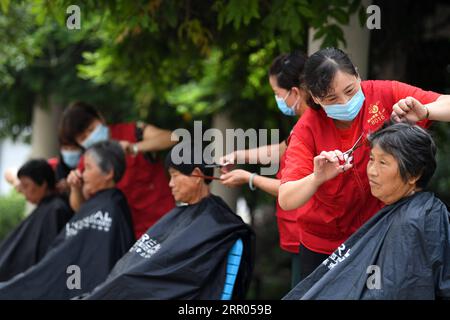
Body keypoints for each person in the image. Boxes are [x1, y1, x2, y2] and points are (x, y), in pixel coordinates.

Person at [278, 47, 450, 281]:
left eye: (350, 90)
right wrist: (316, 178)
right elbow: (287, 199)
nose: (346, 102)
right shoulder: (306, 130)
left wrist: (426, 110)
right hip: (326, 248)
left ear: (358, 75)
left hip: (383, 233)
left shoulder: (384, 93)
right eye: (332, 99)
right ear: (317, 99)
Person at [284, 122, 450, 299]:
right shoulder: (403, 213)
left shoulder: (415, 221)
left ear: (413, 174)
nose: (371, 171)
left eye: (383, 162)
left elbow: (402, 289)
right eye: (371, 159)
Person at [81, 142, 255, 300]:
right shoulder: (183, 216)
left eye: (174, 175)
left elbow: (171, 280)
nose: (170, 184)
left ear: (195, 176)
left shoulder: (217, 225)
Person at [219, 52, 310, 287]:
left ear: (295, 93)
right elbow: (282, 149)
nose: (277, 99)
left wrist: (249, 178)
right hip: (300, 235)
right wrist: (239, 156)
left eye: (277, 94)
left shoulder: (314, 127)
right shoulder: (303, 125)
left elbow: (291, 189)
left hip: (311, 238)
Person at [0, 141, 135, 299]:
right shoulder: (96, 204)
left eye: (88, 168)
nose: (82, 174)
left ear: (108, 173)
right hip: (73, 284)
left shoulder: (113, 207)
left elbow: (99, 262)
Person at [62, 101, 176, 238]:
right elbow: (79, 208)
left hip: (165, 226)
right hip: (127, 236)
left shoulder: (134, 132)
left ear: (100, 117)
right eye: (83, 138)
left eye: (91, 129)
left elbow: (172, 137)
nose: (90, 137)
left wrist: (135, 148)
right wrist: (75, 188)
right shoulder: (87, 161)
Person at [0, 159, 73, 282]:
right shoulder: (49, 207)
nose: (21, 191)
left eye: (26, 186)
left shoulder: (56, 210)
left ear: (43, 184)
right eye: (21, 186)